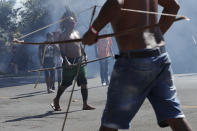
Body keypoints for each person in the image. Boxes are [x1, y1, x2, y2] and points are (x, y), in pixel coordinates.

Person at [82, 0, 192, 131]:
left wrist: (93, 30)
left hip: (134, 61)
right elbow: (173, 6)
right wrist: (155, 35)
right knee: (175, 116)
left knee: (110, 124)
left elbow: (116, 3)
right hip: (160, 56)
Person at [51, 16, 95, 111]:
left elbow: (80, 45)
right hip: (69, 61)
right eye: (70, 22)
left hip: (80, 61)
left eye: (73, 22)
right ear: (66, 24)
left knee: (84, 83)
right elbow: (62, 50)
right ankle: (56, 100)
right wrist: (66, 61)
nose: (72, 24)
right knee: (65, 84)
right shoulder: (63, 35)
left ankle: (85, 104)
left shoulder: (77, 33)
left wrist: (85, 55)